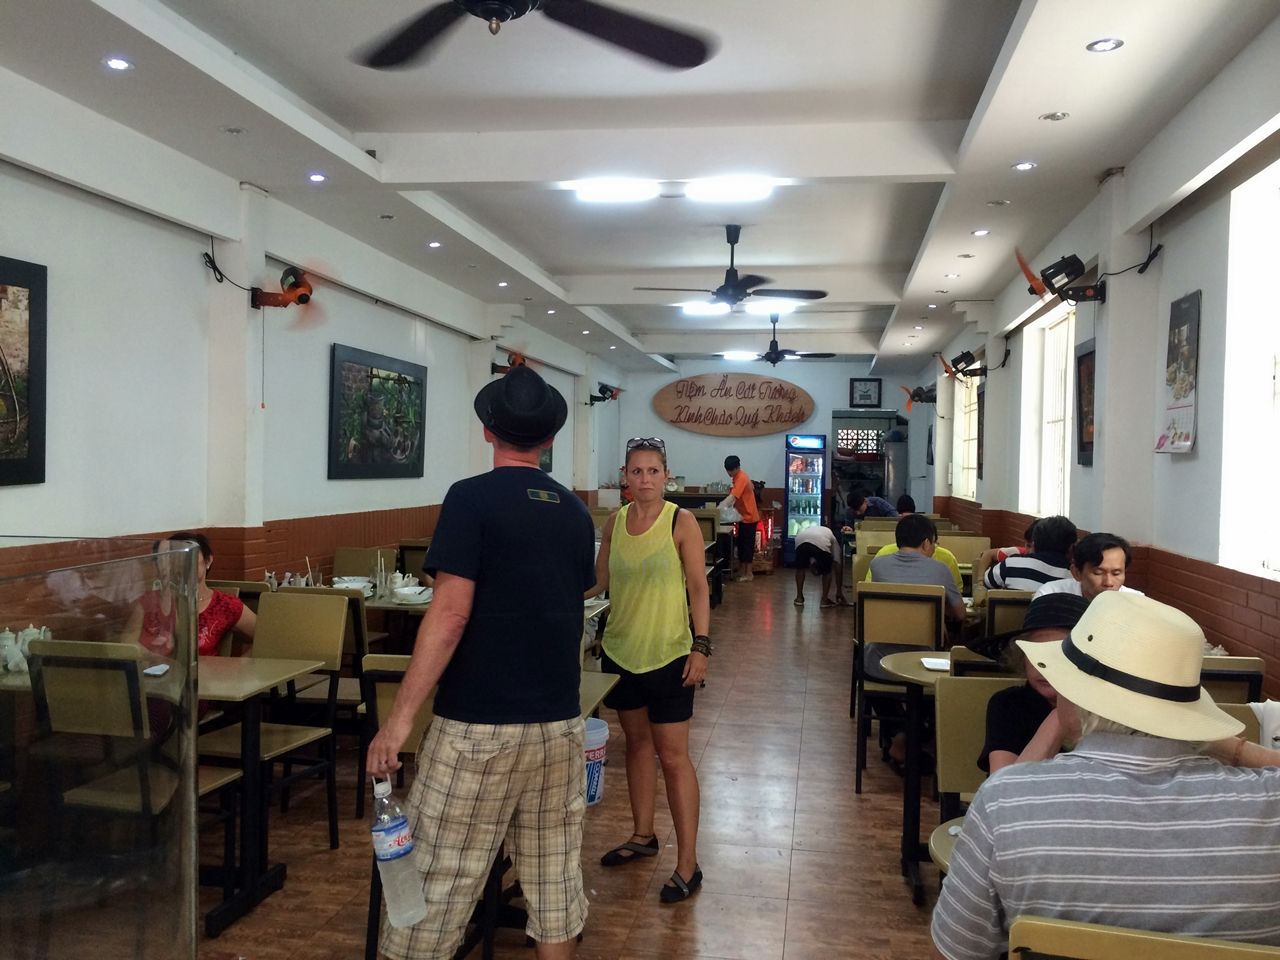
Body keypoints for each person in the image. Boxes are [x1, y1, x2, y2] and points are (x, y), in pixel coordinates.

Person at [367, 365, 595, 960]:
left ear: (488, 430)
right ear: (549, 438)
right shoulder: (574, 512)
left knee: (436, 885)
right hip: (559, 725)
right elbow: (573, 598)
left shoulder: (470, 499)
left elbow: (449, 616)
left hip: (477, 727)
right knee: (554, 880)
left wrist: (398, 722)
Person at [931, 592, 1280, 960]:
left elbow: (958, 950)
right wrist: (1235, 749)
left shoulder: (1006, 802)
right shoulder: (1270, 804)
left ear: (1073, 690)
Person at [592, 437, 711, 903]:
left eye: (653, 471)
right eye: (636, 471)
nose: (644, 479)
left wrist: (701, 646)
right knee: (638, 746)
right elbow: (599, 581)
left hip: (669, 655)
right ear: (625, 476)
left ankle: (688, 863)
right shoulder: (614, 523)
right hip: (621, 653)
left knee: (674, 757)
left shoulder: (681, 521)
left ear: (667, 476)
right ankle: (643, 835)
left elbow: (698, 588)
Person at [978, 593, 1089, 774]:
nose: (1043, 666)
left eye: (1058, 654)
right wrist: (1059, 716)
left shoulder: (1108, 712)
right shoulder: (1008, 704)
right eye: (1034, 653)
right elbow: (1005, 786)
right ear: (1021, 656)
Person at [865, 514, 967, 682]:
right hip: (925, 664)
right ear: (926, 543)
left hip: (877, 662)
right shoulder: (940, 569)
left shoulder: (877, 565)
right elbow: (961, 614)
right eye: (934, 543)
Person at [126, 532, 256, 658]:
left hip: (205, 672)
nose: (180, 565)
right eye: (174, 559)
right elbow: (128, 642)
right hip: (158, 670)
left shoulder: (225, 605)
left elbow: (264, 637)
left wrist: (238, 666)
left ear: (208, 561)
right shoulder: (150, 601)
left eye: (189, 558)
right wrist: (156, 660)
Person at [1033, 531, 1143, 600]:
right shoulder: (1050, 596)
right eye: (1098, 573)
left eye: (1116, 573)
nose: (1109, 582)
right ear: (1076, 573)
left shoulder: (1137, 602)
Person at [981, 514, 1075, 592]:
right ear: (1071, 548)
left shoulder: (1011, 564)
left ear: (1034, 544)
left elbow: (987, 582)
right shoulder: (1075, 579)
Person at [724, 455, 760, 582]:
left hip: (749, 517)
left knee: (747, 547)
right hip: (743, 517)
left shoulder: (741, 478)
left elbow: (733, 497)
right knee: (741, 545)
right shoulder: (737, 477)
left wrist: (720, 507)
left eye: (731, 470)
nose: (729, 473)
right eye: (727, 470)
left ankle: (749, 574)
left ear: (737, 468)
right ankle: (741, 571)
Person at [792, 523, 847, 608]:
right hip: (821, 542)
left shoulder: (811, 529)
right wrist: (839, 591)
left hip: (800, 540)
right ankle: (824, 600)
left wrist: (811, 564)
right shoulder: (833, 539)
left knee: (800, 568)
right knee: (827, 571)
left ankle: (799, 598)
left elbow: (810, 551)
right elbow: (838, 566)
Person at [972, 520, 1038, 590]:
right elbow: (987, 554)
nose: (1030, 551)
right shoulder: (1016, 552)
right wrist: (980, 581)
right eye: (1028, 546)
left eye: (1034, 547)